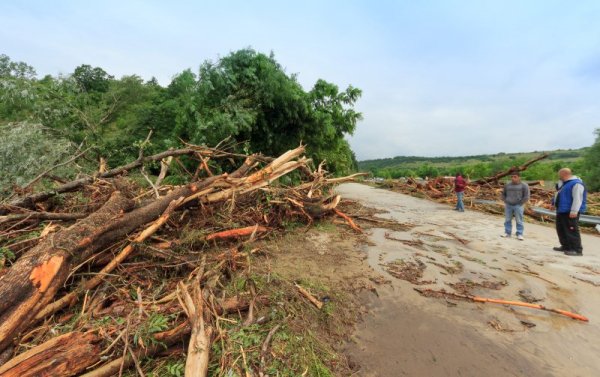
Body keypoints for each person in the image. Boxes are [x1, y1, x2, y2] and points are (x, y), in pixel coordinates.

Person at [552, 168, 586, 256]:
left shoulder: (576, 184)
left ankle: (577, 250)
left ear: (564, 174)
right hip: (561, 210)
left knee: (572, 230)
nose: (559, 176)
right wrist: (553, 203)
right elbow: (558, 194)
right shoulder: (564, 184)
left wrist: (574, 211)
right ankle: (566, 246)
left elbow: (577, 198)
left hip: (570, 211)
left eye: (559, 174)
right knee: (561, 229)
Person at [501, 172, 530, 240]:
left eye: (515, 177)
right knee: (507, 219)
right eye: (512, 177)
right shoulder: (507, 185)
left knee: (519, 220)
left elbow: (526, 196)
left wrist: (520, 203)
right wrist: (505, 201)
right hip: (508, 205)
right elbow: (503, 194)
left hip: (518, 205)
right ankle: (507, 233)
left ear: (519, 177)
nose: (513, 178)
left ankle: (519, 234)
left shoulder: (524, 185)